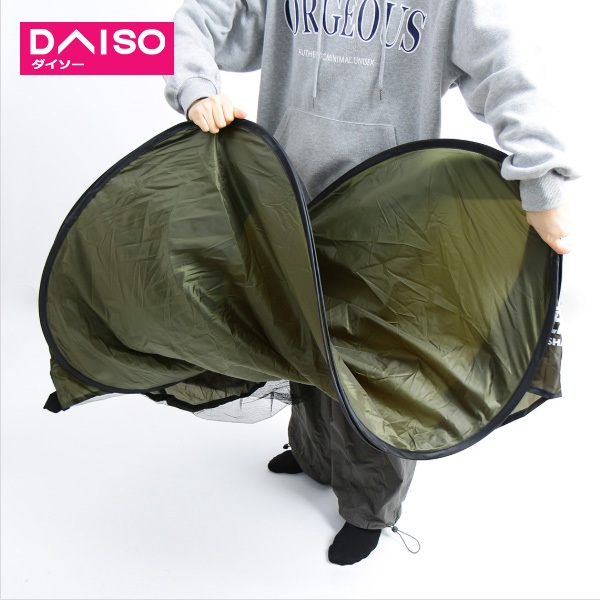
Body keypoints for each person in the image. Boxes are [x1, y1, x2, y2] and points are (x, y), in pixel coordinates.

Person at [164, 0, 577, 565]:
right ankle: (315, 456)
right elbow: (204, 16)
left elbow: (505, 65)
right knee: (305, 341)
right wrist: (195, 85)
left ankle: (368, 509)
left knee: (372, 366)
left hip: (387, 210)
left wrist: (540, 177)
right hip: (292, 197)